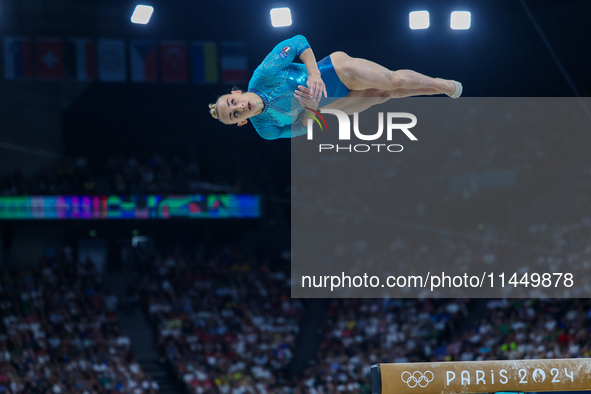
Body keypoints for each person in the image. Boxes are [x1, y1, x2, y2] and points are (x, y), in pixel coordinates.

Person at [208, 35, 462, 140]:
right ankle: (436, 90)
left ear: (236, 93)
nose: (239, 108)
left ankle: (441, 84)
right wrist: (310, 110)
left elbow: (298, 41)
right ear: (242, 122)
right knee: (385, 95)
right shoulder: (266, 129)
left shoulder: (264, 74)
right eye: (235, 115)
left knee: (394, 81)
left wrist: (315, 74)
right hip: (329, 104)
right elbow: (300, 129)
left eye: (233, 103)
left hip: (335, 71)